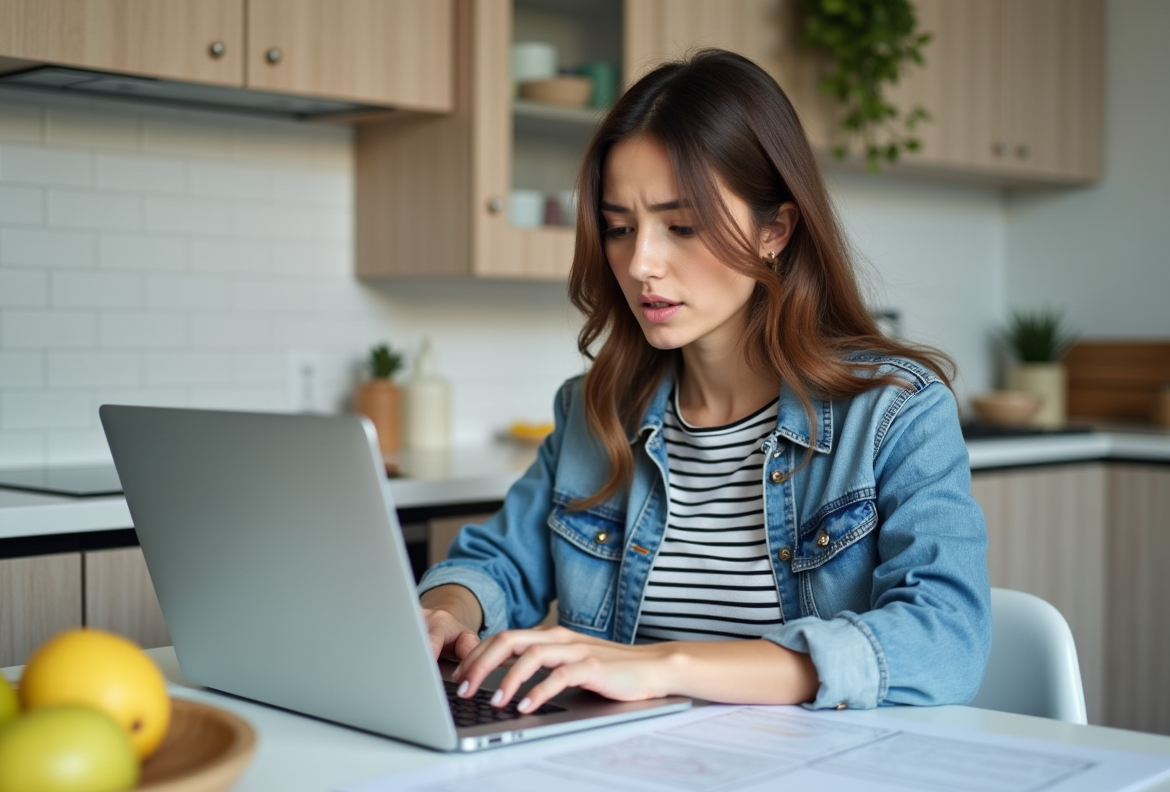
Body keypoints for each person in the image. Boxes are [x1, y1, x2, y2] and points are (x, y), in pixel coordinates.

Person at [417, 49, 990, 715]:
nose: (641, 264)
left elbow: (947, 639)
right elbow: (499, 564)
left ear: (775, 227)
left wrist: (663, 666)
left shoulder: (895, 413)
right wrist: (442, 610)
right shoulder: (595, 408)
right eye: (619, 228)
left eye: (681, 226)